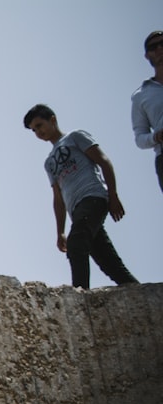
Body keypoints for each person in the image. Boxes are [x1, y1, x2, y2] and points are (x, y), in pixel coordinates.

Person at [23, 104, 139, 289]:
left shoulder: (75, 137)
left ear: (52, 119)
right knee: (109, 264)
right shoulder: (49, 163)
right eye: (34, 130)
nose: (38, 132)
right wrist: (60, 231)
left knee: (76, 244)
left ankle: (80, 296)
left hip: (93, 197)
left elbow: (103, 161)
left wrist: (113, 195)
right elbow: (58, 199)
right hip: (76, 210)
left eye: (40, 125)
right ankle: (138, 291)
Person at [131, 30, 163, 195]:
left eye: (162, 44)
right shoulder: (140, 95)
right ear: (147, 55)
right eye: (153, 47)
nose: (159, 49)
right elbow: (140, 138)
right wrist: (156, 137)